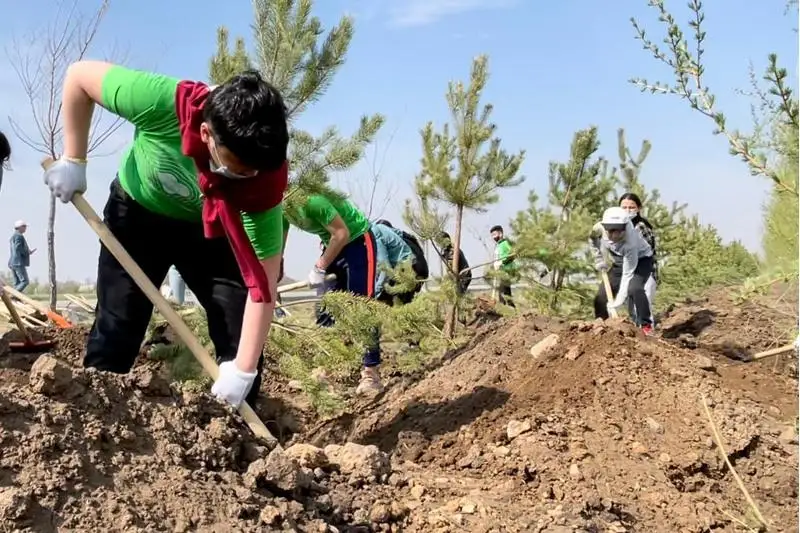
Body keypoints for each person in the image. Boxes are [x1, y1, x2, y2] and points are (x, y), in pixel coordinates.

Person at [42, 61, 289, 408]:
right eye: (238, 169)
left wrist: (244, 370)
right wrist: (74, 159)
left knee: (239, 334)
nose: (248, 178)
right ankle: (96, 416)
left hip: (210, 228)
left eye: (254, 172)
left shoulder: (264, 176)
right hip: (137, 219)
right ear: (206, 135)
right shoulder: (161, 101)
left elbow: (262, 286)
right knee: (118, 326)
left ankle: (238, 432)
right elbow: (79, 76)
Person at [283, 194, 395, 395]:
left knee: (363, 307)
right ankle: (324, 372)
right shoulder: (277, 206)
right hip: (333, 245)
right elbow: (281, 233)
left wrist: (320, 266)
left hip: (357, 241)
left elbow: (341, 233)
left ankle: (371, 374)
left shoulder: (311, 199)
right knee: (326, 308)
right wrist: (277, 265)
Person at [590, 206, 655, 335]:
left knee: (634, 288)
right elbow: (592, 239)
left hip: (642, 259)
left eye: (618, 230)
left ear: (625, 226)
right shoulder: (599, 228)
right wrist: (598, 259)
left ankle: (645, 325)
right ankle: (602, 327)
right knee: (601, 297)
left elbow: (627, 275)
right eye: (610, 230)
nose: (614, 235)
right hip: (619, 261)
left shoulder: (631, 243)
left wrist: (618, 302)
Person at [619, 193, 658, 325]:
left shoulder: (640, 227)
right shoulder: (622, 228)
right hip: (632, 274)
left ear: (638, 208)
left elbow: (645, 254)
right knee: (633, 312)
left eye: (631, 207)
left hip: (644, 274)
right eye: (624, 207)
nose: (628, 211)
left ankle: (647, 338)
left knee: (642, 309)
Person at [374, 219, 427, 304]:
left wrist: (375, 293)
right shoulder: (407, 238)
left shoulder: (380, 233)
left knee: (394, 303)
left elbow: (385, 269)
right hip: (421, 270)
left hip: (410, 269)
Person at [490, 225, 517, 307]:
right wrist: (496, 264)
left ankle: (506, 310)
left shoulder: (505, 243)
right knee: (505, 292)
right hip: (501, 271)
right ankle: (510, 309)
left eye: (495, 235)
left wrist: (502, 262)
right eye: (492, 236)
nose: (493, 237)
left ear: (500, 234)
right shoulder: (498, 246)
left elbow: (513, 253)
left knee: (503, 292)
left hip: (507, 270)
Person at [8, 220, 35, 292]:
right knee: (25, 281)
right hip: (18, 262)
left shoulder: (13, 236)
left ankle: (15, 299)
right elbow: (18, 248)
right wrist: (27, 252)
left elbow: (15, 249)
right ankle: (12, 295)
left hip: (12, 262)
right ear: (20, 227)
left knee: (17, 283)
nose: (25, 228)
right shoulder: (19, 236)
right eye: (24, 226)